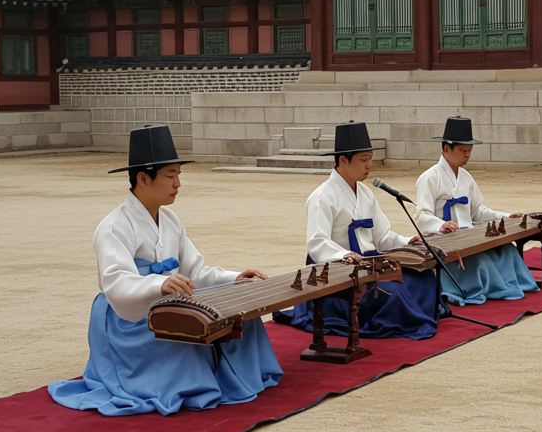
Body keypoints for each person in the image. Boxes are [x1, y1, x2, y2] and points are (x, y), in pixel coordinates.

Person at [49, 125, 283, 416]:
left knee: (239, 312)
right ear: (143, 178)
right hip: (128, 315)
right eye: (170, 176)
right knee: (183, 337)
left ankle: (238, 378)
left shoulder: (170, 220)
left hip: (167, 300)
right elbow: (116, 281)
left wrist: (233, 277)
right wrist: (158, 285)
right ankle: (194, 382)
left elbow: (195, 270)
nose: (178, 184)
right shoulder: (114, 227)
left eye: (178, 175)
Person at [273, 121, 441, 340]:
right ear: (343, 160)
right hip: (341, 274)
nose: (369, 164)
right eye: (364, 159)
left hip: (371, 265)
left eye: (370, 158)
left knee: (423, 277)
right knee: (395, 293)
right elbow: (317, 243)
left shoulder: (365, 193)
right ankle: (398, 320)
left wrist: (407, 241)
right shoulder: (321, 197)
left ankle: (411, 317)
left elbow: (382, 236)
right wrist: (343, 254)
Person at [413, 116, 538, 305]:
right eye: (463, 150)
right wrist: (442, 224)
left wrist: (506, 216)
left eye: (469, 151)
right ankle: (489, 289)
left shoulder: (466, 177)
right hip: (444, 240)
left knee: (506, 250)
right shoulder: (429, 178)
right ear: (446, 148)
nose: (467, 155)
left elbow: (478, 210)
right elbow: (421, 215)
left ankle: (515, 284)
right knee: (481, 260)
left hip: (469, 236)